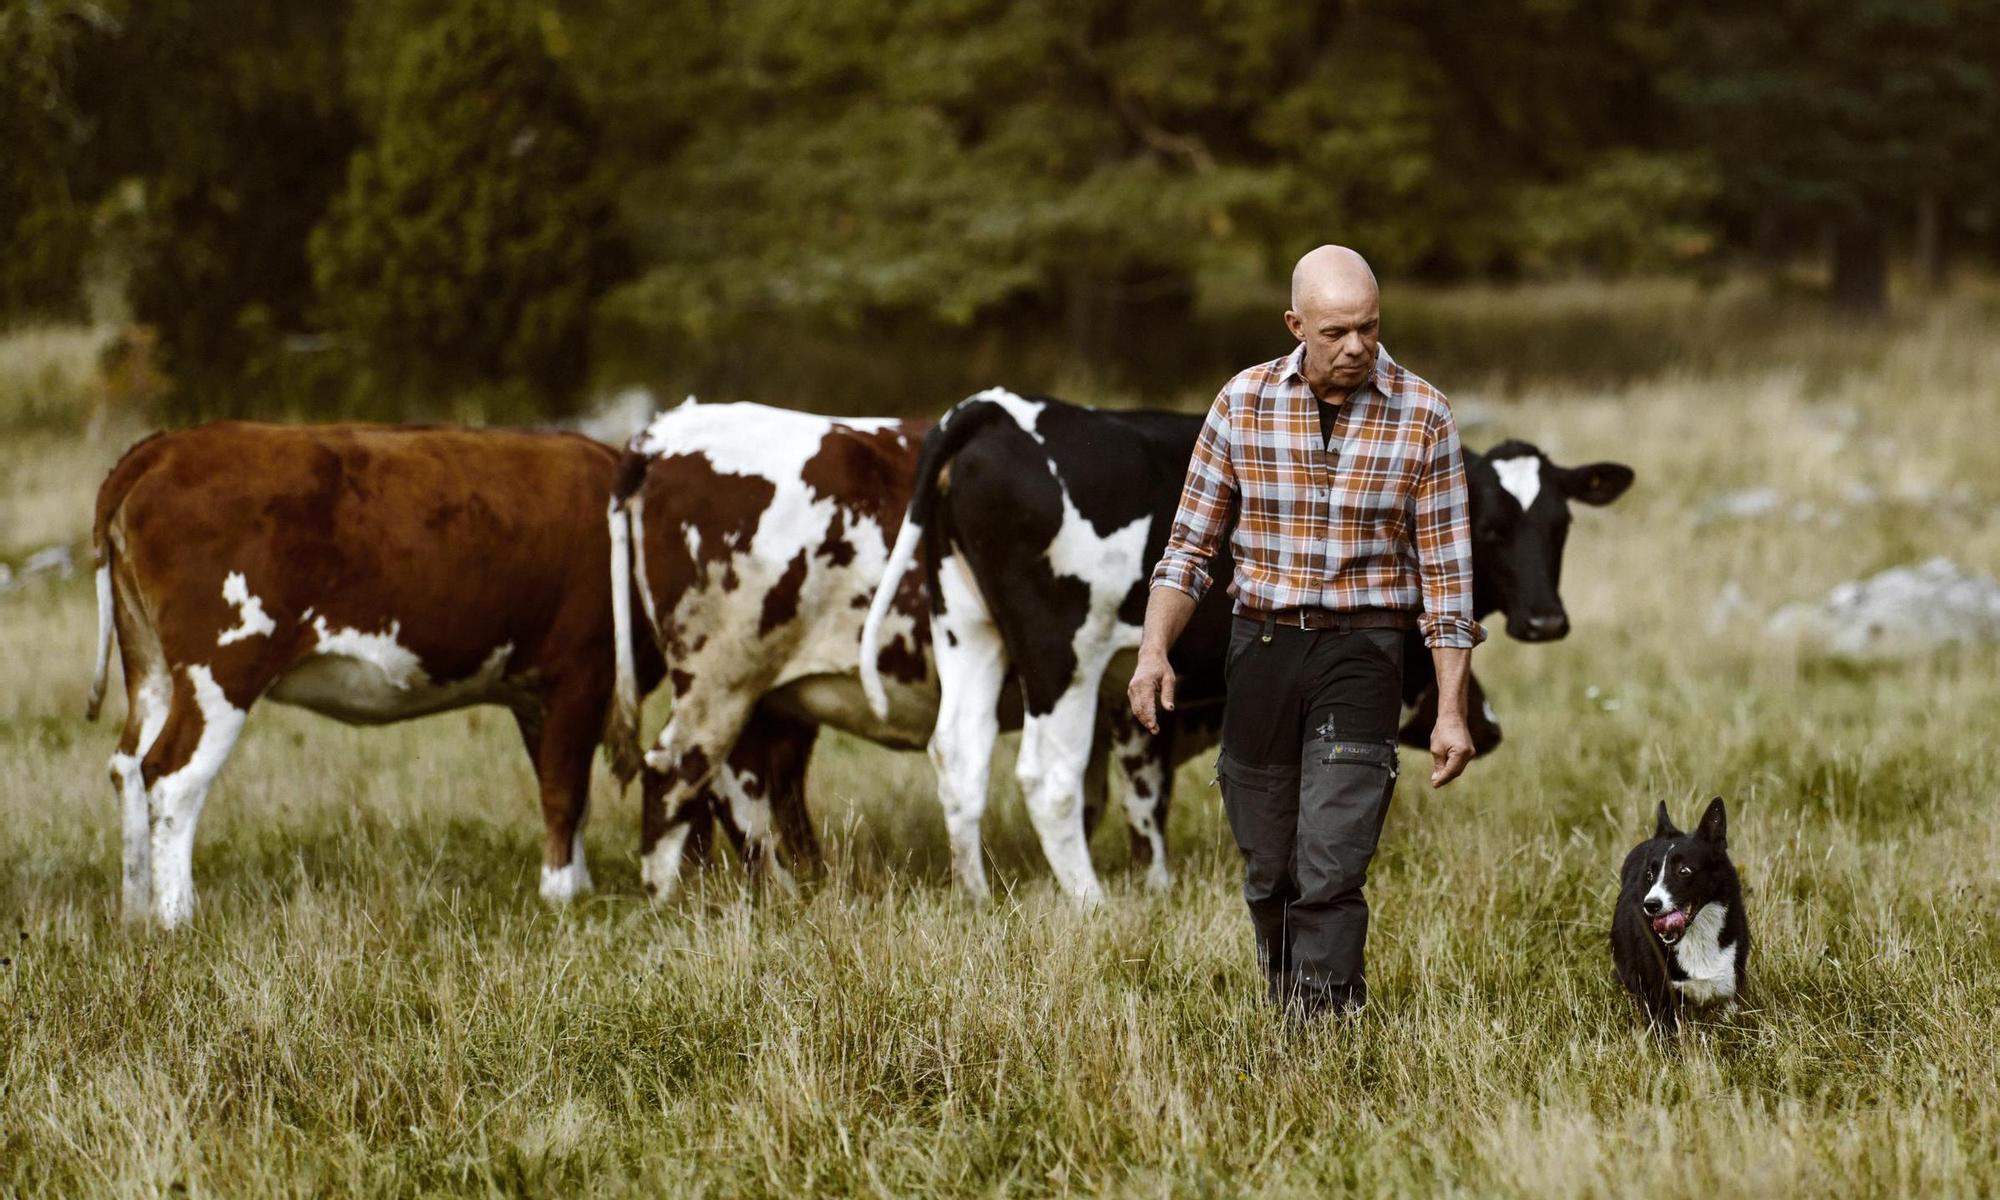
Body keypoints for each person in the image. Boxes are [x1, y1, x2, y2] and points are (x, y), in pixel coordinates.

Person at [1128, 245, 1481, 1018]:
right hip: (1260, 646)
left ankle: (1325, 1025)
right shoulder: (1243, 403)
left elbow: (1449, 580)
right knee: (1268, 863)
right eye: (1336, 331)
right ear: (1296, 325)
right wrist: (1153, 651)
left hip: (1364, 650)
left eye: (1370, 328)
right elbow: (1189, 549)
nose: (1357, 346)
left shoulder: (1424, 415)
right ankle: (1285, 999)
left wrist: (1450, 708)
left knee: (1331, 856)